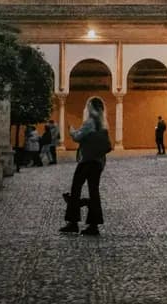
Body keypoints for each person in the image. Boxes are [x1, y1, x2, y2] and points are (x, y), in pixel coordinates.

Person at [60, 97, 111, 237]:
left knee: (76, 188)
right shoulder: (103, 124)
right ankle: (93, 225)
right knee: (94, 191)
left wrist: (71, 130)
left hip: (87, 160)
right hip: (98, 162)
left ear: (91, 108)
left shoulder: (89, 123)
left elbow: (77, 137)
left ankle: (73, 222)